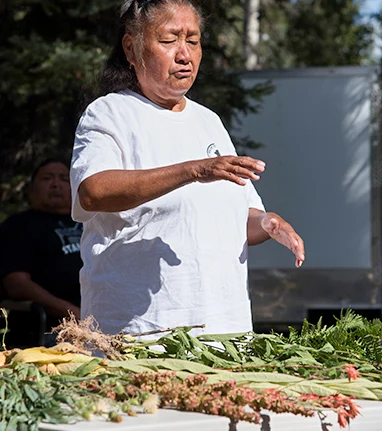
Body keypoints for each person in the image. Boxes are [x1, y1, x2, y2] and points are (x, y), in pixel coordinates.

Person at [70, 0, 305, 338]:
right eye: (169, 41)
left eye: (192, 40)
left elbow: (242, 220)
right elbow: (93, 192)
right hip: (140, 333)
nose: (184, 54)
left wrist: (267, 223)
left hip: (225, 330)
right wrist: (193, 170)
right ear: (131, 48)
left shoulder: (209, 122)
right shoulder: (109, 113)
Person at [0, 158, 83, 335]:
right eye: (47, 178)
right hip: (51, 329)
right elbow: (17, 285)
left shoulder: (91, 224)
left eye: (64, 178)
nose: (55, 184)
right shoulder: (18, 226)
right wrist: (71, 312)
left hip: (105, 318)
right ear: (31, 190)